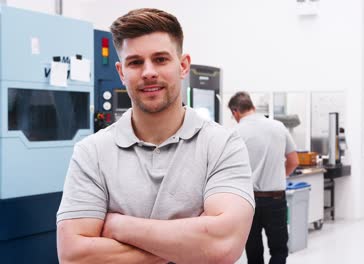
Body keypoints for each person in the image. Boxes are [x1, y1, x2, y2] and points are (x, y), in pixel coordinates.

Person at [56, 8, 254, 264]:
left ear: (183, 65)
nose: (148, 72)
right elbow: (75, 256)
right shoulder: (91, 152)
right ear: (121, 72)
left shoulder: (222, 145)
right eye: (135, 62)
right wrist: (189, 246)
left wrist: (119, 227)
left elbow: (223, 245)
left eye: (160, 59)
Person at [228, 92, 299, 264]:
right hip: (275, 198)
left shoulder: (234, 132)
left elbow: (229, 170)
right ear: (252, 106)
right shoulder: (278, 127)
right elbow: (294, 161)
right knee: (279, 250)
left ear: (236, 111)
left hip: (247, 202)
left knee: (253, 251)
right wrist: (278, 177)